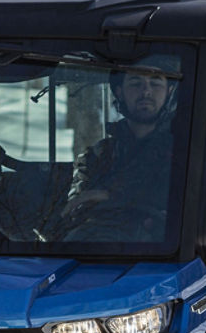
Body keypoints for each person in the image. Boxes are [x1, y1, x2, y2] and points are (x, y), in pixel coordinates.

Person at [63, 56, 180, 241]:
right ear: (119, 92)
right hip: (100, 252)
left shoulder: (185, 151)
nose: (146, 91)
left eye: (155, 82)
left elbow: (181, 205)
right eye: (136, 82)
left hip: (163, 257)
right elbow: (78, 206)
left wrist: (108, 196)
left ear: (169, 91)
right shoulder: (99, 155)